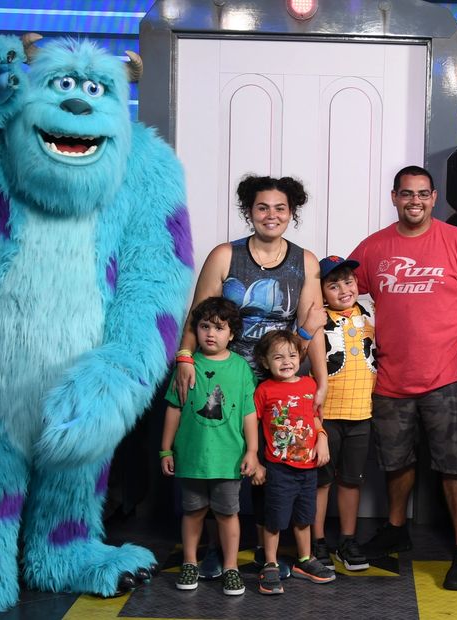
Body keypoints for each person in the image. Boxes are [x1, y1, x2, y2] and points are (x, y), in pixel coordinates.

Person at [172, 175, 328, 579]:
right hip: (224, 375)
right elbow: (198, 314)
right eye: (262, 207)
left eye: (280, 208)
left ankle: (266, 552)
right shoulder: (225, 255)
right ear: (249, 212)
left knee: (272, 465)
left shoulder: (305, 260)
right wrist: (185, 357)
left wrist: (322, 384)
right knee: (217, 461)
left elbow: (313, 326)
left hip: (280, 382)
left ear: (291, 214)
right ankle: (211, 550)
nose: (271, 215)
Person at [348, 165, 457, 590]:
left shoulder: (456, 242)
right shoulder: (375, 247)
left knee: (452, 464)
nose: (415, 201)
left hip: (447, 376)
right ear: (394, 198)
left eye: (422, 194)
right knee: (395, 461)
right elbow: (337, 292)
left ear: (433, 199)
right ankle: (396, 530)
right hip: (390, 377)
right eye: (406, 194)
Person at [159, 297, 260, 596]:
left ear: (232, 333)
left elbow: (248, 412)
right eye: (204, 327)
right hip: (191, 458)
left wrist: (252, 451)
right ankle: (190, 562)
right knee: (193, 512)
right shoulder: (187, 367)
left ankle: (231, 567)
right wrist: (166, 449)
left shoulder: (240, 368)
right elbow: (174, 409)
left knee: (229, 514)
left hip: (228, 459)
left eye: (219, 327)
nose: (210, 334)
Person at [252, 330, 336, 595]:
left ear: (300, 356)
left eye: (291, 355)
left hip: (308, 469)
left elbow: (315, 419)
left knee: (304, 518)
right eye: (278, 357)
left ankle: (304, 560)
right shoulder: (264, 390)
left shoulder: (310, 385)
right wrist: (255, 460)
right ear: (265, 362)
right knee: (274, 519)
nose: (286, 361)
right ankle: (270, 564)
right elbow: (251, 424)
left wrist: (322, 439)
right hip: (279, 469)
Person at [310, 256, 377, 572]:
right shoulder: (318, 319)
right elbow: (299, 351)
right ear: (322, 292)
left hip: (361, 413)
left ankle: (348, 540)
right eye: (333, 285)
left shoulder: (368, 313)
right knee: (321, 481)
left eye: (348, 281)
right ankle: (317, 540)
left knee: (352, 480)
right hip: (326, 415)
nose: (343, 289)